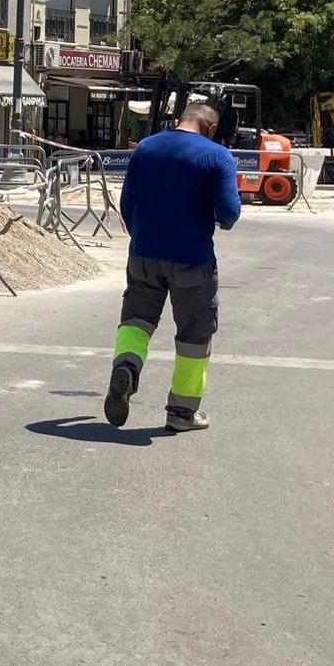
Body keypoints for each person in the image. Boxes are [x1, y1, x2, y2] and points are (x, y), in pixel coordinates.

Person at [104, 99, 241, 433]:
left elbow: (126, 204)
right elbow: (229, 213)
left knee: (136, 321)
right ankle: (181, 413)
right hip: (192, 259)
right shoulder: (217, 156)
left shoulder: (146, 149)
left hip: (144, 255)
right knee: (195, 335)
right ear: (210, 128)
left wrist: (143, 238)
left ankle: (126, 367)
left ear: (181, 119)